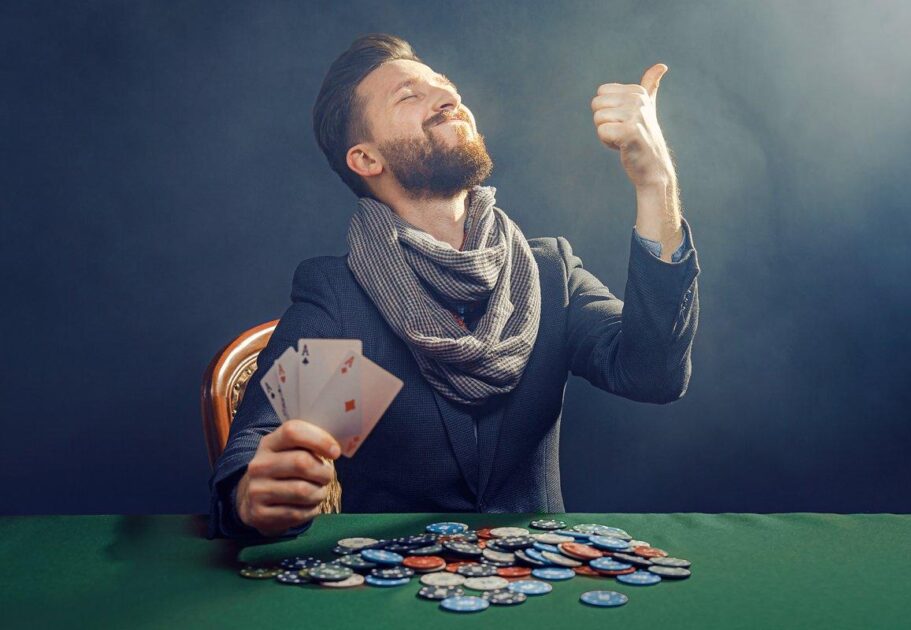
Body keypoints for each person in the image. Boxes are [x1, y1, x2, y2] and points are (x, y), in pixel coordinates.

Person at [207, 33, 700, 540]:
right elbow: (265, 448)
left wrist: (655, 181)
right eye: (409, 95)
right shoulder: (347, 302)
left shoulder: (547, 272)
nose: (448, 97)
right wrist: (256, 493)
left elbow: (652, 373)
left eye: (445, 87)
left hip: (538, 592)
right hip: (393, 601)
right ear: (366, 159)